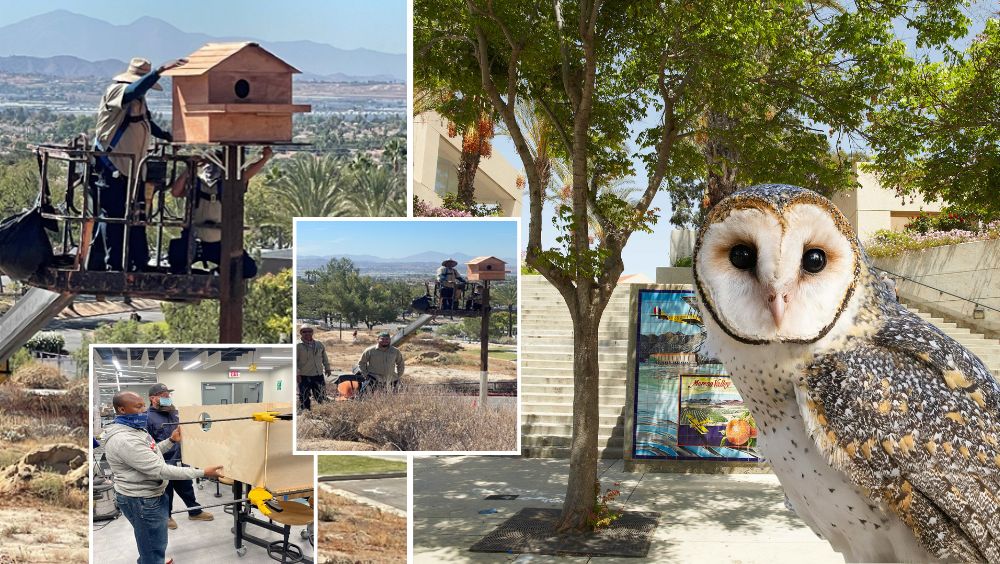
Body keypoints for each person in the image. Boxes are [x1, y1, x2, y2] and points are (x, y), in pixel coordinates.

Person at [88, 57, 187, 272]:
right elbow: (131, 92)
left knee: (137, 216)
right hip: (112, 167)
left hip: (134, 170)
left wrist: (171, 137)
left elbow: (147, 124)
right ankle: (114, 265)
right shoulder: (117, 91)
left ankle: (138, 261)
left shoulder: (139, 100)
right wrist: (159, 72)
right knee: (114, 217)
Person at [101, 391, 223, 564]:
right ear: (121, 409)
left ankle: (150, 559)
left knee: (151, 541)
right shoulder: (125, 439)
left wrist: (171, 441)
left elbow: (152, 451)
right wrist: (203, 472)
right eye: (138, 406)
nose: (143, 410)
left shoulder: (134, 430)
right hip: (142, 500)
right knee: (152, 543)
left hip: (147, 495)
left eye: (143, 405)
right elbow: (160, 470)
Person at [167, 147, 273, 276]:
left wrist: (264, 158)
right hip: (194, 241)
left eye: (216, 165)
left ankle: (217, 273)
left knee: (248, 269)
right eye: (210, 165)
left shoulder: (229, 186)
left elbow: (245, 176)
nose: (212, 170)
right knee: (176, 263)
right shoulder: (196, 184)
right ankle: (195, 275)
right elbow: (175, 192)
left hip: (220, 244)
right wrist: (190, 168)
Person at [145, 383, 214, 530]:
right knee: (166, 491)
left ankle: (194, 512)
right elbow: (149, 444)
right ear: (153, 398)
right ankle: (167, 516)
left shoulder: (174, 412)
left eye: (168, 395)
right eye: (164, 396)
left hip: (181, 458)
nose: (168, 398)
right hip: (164, 461)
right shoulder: (148, 418)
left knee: (187, 487)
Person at [296, 324, 330, 410]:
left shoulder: (319, 344)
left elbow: (324, 357)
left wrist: (327, 368)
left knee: (321, 395)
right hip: (304, 376)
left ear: (312, 332)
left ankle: (323, 412)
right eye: (304, 332)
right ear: (301, 333)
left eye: (309, 331)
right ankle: (306, 414)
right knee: (304, 396)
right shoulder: (298, 346)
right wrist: (297, 374)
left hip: (318, 374)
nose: (307, 333)